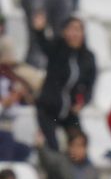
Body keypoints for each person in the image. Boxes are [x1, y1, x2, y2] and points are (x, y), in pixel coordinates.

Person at [35, 16, 97, 149]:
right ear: (64, 32)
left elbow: (90, 85)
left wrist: (83, 102)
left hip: (70, 111)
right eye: (71, 29)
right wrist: (39, 30)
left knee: (79, 142)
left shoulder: (88, 57)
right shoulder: (56, 50)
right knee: (52, 145)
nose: (74, 34)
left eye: (78, 30)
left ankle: (79, 169)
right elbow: (43, 44)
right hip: (48, 108)